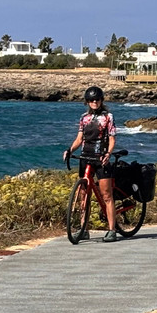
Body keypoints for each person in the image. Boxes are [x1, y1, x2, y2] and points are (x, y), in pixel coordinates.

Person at [64, 85, 118, 242]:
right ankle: (83, 229)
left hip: (101, 159)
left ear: (101, 100)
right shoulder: (84, 118)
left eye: (97, 99)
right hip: (85, 157)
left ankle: (112, 230)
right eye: (91, 100)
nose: (95, 102)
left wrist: (108, 154)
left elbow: (112, 139)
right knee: (83, 196)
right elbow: (79, 139)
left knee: (106, 195)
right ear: (87, 102)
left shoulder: (108, 117)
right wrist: (70, 150)